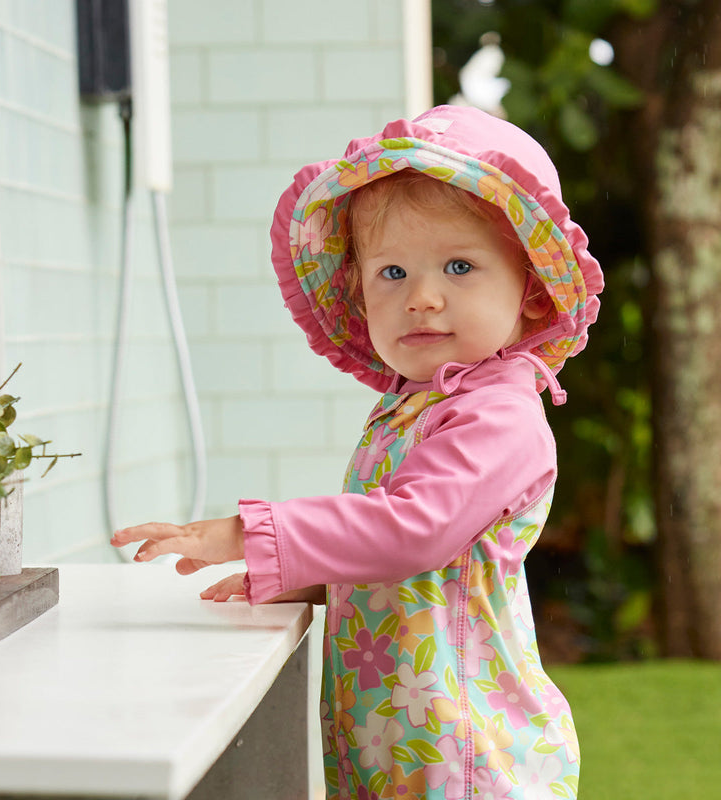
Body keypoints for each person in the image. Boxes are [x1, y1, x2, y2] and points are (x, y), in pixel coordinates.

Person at [111, 105, 603, 799]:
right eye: (392, 272)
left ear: (529, 292)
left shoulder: (499, 416)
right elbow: (417, 562)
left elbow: (417, 529)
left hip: (464, 753)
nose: (422, 298)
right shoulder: (414, 406)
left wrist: (254, 533)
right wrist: (313, 576)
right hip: (402, 741)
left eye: (459, 266)